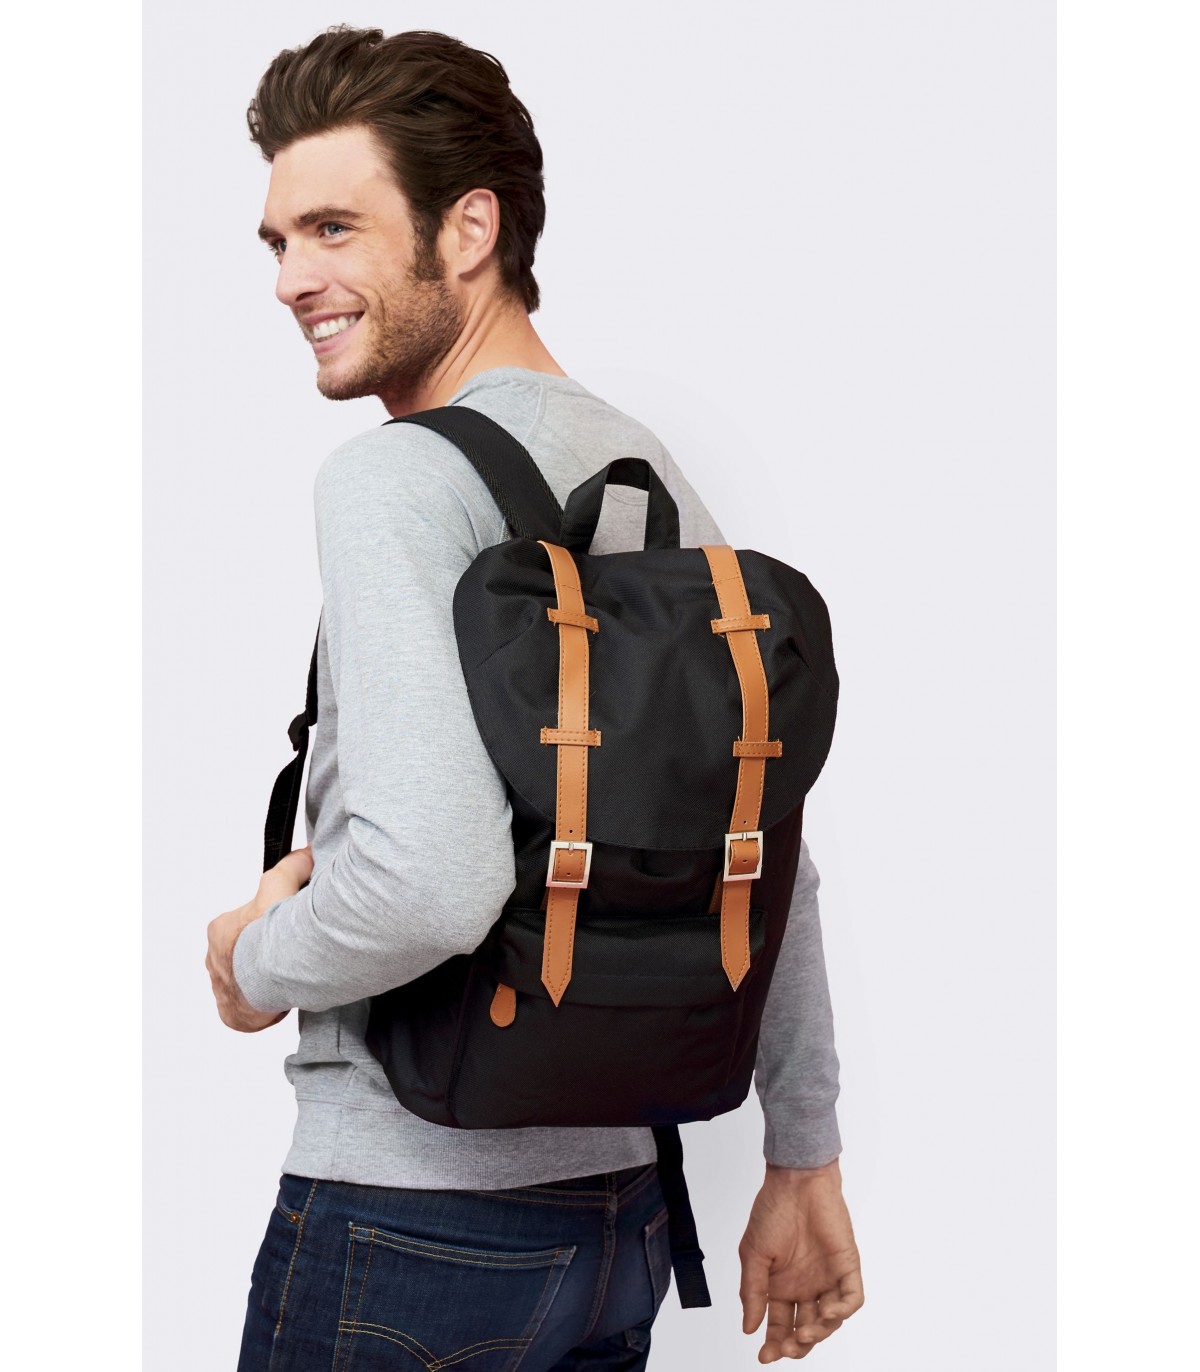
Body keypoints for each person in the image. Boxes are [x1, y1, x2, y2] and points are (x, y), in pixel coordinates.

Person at [204, 25, 863, 1369]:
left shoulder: (394, 480)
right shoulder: (643, 468)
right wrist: (805, 1157)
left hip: (405, 1217)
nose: (290, 279)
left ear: (469, 230)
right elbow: (762, 846)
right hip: (615, 1225)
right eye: (277, 242)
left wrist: (249, 960)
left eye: (332, 228)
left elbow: (430, 885)